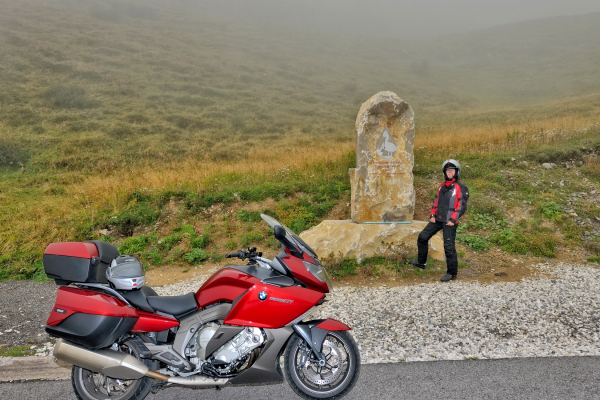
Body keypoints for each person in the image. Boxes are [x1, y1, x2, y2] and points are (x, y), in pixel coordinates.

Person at [410, 159, 469, 282]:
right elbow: (436, 202)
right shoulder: (441, 187)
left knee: (449, 246)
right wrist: (432, 215)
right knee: (422, 237)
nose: (449, 173)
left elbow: (461, 206)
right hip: (437, 219)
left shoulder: (461, 187)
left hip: (450, 221)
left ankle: (452, 273)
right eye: (447, 171)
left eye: (452, 170)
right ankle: (421, 263)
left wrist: (453, 219)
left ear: (457, 172)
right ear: (444, 173)